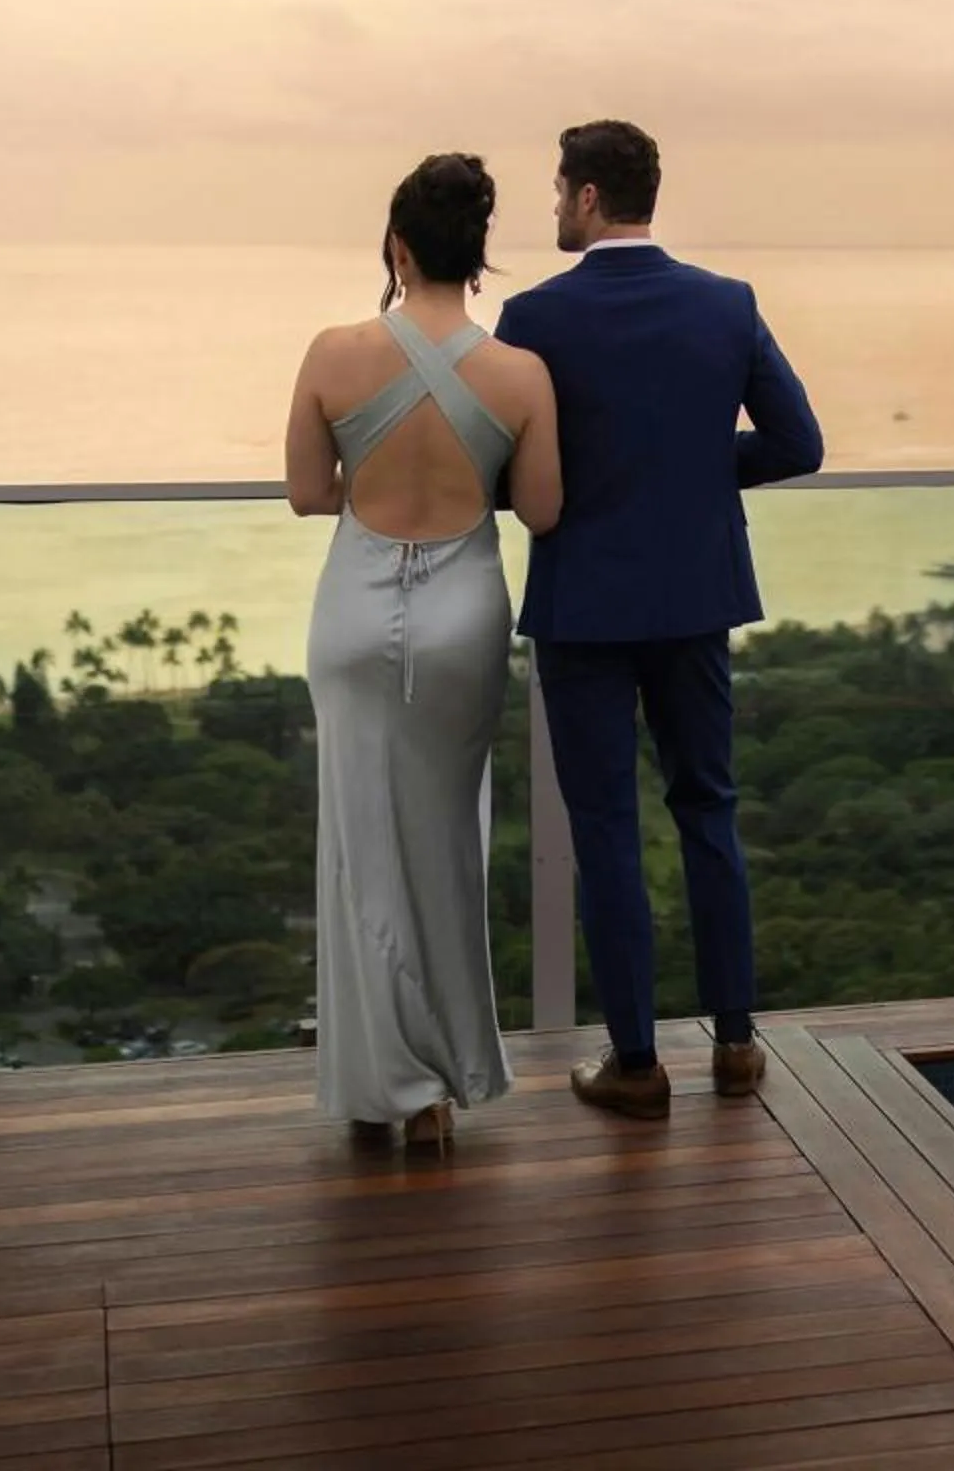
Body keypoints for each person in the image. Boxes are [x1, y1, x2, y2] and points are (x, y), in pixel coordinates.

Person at [498, 119, 822, 1118]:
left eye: (558, 190)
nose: (553, 207)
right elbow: (797, 443)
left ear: (590, 197)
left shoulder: (534, 315)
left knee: (606, 831)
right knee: (708, 811)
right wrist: (691, 471)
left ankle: (636, 1063)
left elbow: (503, 465)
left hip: (585, 605)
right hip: (694, 597)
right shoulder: (725, 304)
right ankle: (735, 1044)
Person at [285, 153, 562, 1149]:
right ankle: (441, 1084)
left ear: (397, 248)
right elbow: (542, 507)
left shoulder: (333, 351)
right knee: (447, 842)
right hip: (462, 614)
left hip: (354, 612)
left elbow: (311, 493)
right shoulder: (520, 372)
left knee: (360, 848)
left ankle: (379, 1084)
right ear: (477, 257)